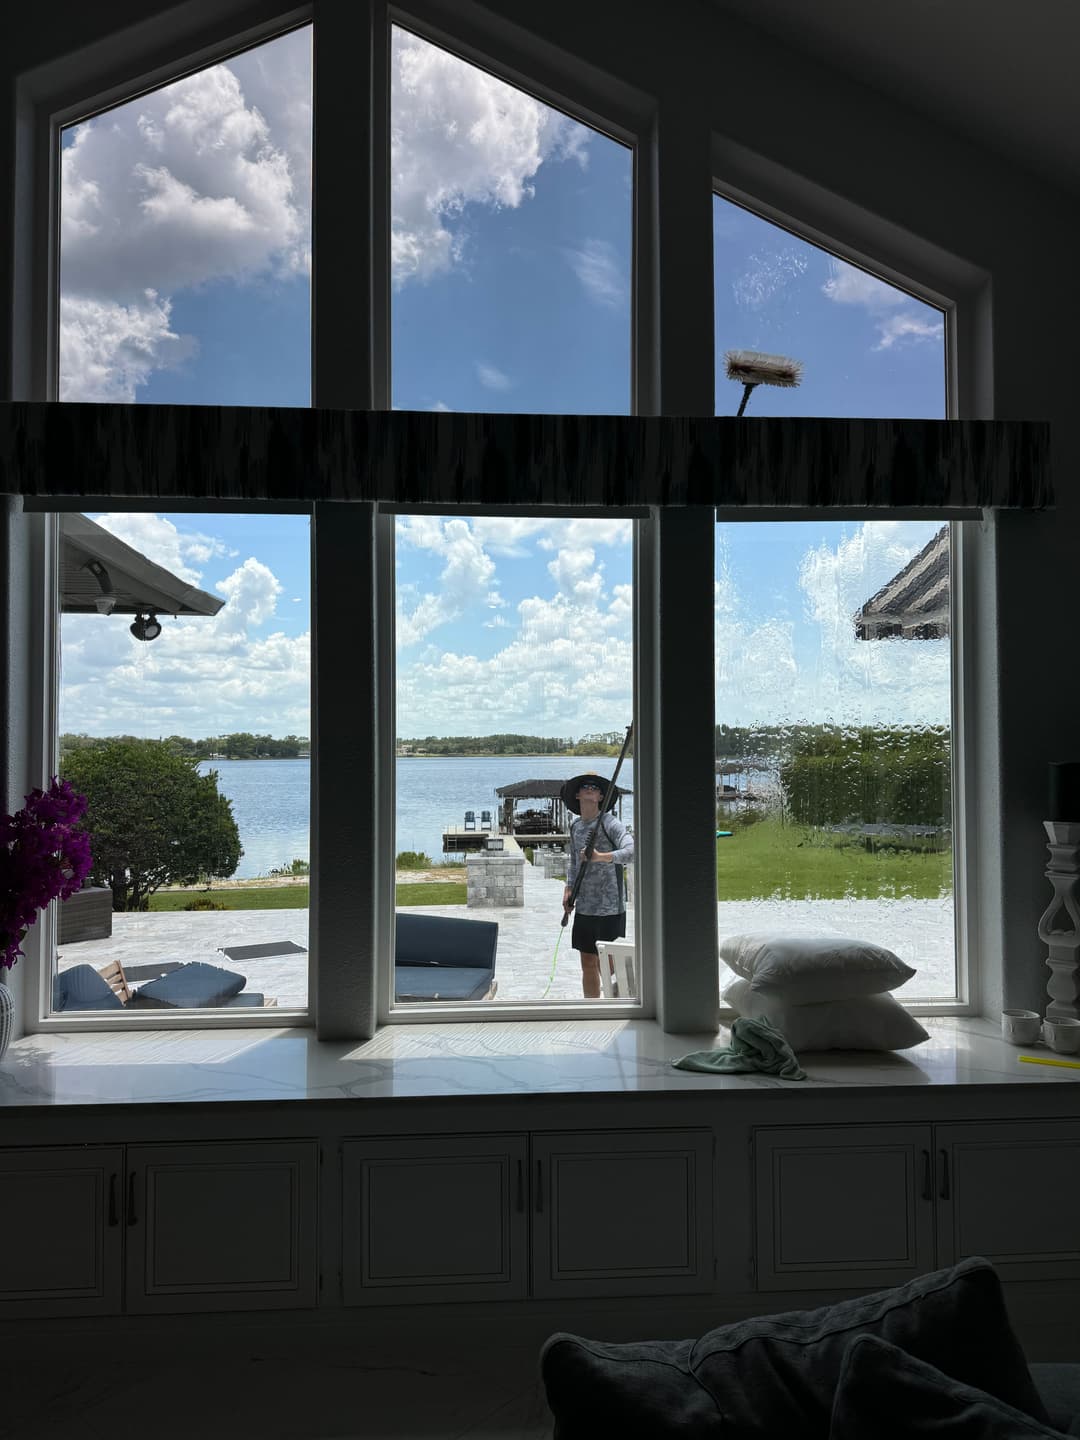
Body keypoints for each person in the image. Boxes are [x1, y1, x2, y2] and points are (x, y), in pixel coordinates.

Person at [560, 773, 635, 999]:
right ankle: (591, 1009)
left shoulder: (610, 823)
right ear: (577, 794)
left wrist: (601, 857)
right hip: (585, 907)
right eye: (586, 786)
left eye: (596, 788)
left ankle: (617, 1007)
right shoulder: (575, 826)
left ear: (602, 797)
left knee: (609, 966)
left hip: (609, 907)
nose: (590, 788)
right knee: (587, 962)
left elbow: (632, 851)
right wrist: (568, 889)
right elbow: (574, 862)